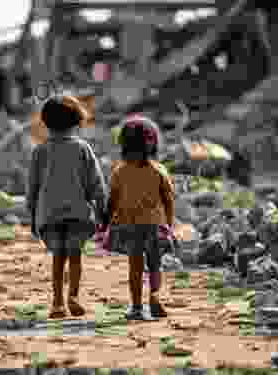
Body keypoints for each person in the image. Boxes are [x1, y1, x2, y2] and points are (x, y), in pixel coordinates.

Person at [26, 95, 108, 319]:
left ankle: (57, 302)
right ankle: (73, 296)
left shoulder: (40, 151)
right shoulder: (83, 148)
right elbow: (95, 183)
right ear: (76, 120)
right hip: (78, 213)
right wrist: (102, 209)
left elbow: (32, 188)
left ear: (45, 121)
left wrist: (32, 215)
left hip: (49, 214)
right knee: (75, 254)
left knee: (58, 256)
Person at [107, 115, 174, 320]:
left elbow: (113, 200)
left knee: (135, 267)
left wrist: (108, 222)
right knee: (155, 266)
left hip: (130, 226)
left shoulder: (119, 172)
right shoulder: (158, 170)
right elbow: (168, 199)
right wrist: (168, 225)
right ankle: (154, 297)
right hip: (154, 225)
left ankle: (136, 307)